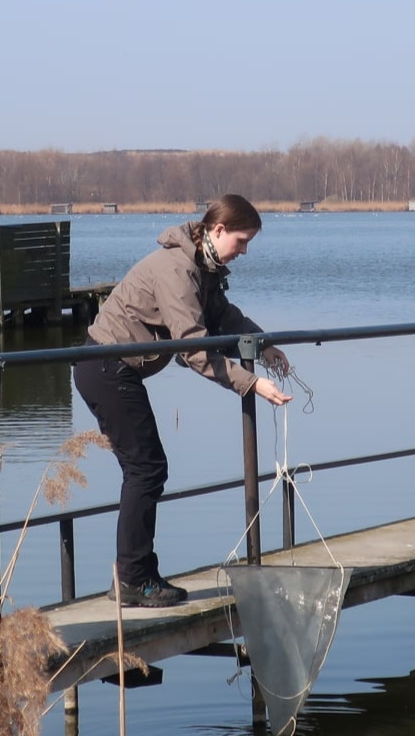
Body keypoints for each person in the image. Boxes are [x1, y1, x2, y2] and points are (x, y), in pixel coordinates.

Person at [75, 194, 293, 607]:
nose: (244, 252)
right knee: (146, 468)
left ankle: (136, 574)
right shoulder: (177, 269)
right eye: (242, 241)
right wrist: (251, 384)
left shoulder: (203, 266)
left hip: (114, 368)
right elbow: (194, 349)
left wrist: (264, 345)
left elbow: (224, 317)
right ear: (218, 230)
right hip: (105, 367)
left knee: (146, 469)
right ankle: (133, 581)